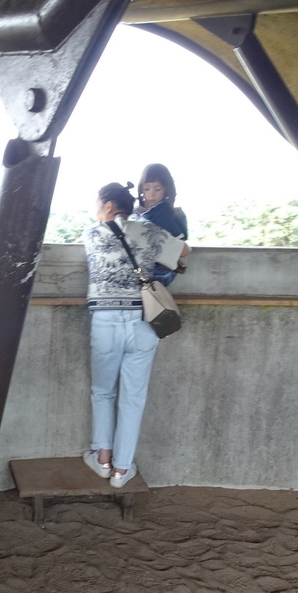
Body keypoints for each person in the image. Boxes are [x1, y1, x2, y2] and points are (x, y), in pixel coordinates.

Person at [82, 182, 191, 487]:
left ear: (107, 206)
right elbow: (185, 250)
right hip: (143, 321)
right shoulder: (148, 230)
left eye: (96, 204)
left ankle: (102, 460)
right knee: (133, 398)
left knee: (103, 392)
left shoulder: (91, 233)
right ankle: (122, 470)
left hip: (105, 322)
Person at [136, 163, 188, 287]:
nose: (151, 194)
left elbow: (181, 243)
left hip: (159, 272)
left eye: (157, 189)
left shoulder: (164, 213)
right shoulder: (139, 212)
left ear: (166, 189)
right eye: (146, 189)